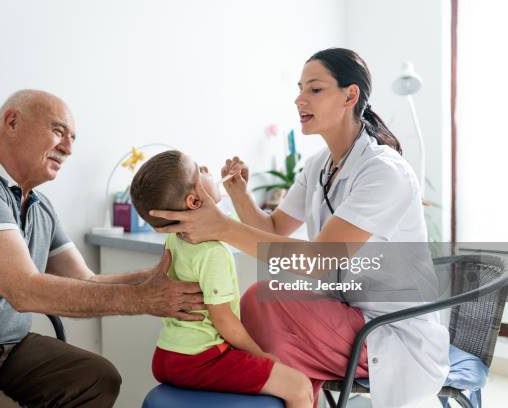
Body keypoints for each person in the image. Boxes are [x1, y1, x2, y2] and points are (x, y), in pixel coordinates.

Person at [149, 48, 450, 407]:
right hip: (346, 315)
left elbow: (320, 260)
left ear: (349, 96)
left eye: (315, 89)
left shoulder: (384, 172)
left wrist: (222, 227)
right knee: (262, 301)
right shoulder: (319, 165)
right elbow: (275, 226)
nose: (299, 98)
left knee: (265, 303)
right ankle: (293, 393)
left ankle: (290, 392)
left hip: (390, 330)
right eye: (299, 88)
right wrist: (240, 195)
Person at [0, 90, 204, 408]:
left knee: (96, 378)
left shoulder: (40, 207)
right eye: (58, 131)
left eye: (72, 138)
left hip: (6, 351)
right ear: (12, 121)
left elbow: (86, 281)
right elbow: (23, 290)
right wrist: (142, 299)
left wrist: (151, 277)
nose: (68, 148)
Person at [130, 150, 313, 408]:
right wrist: (261, 355)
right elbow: (223, 319)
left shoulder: (176, 238)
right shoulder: (212, 251)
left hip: (166, 356)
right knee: (299, 386)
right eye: (199, 171)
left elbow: (232, 222)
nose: (205, 168)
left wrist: (239, 193)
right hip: (201, 358)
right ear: (193, 202)